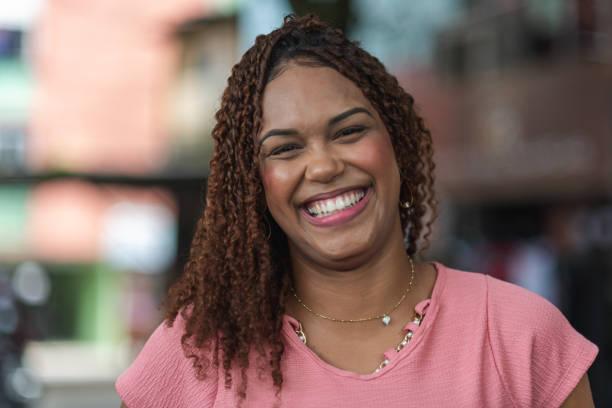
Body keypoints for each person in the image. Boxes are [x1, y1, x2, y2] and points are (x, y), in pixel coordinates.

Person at [116, 14, 598, 407]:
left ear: (397, 145)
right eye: (285, 149)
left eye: (348, 132)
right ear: (254, 186)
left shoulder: (519, 334)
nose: (323, 166)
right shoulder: (201, 350)